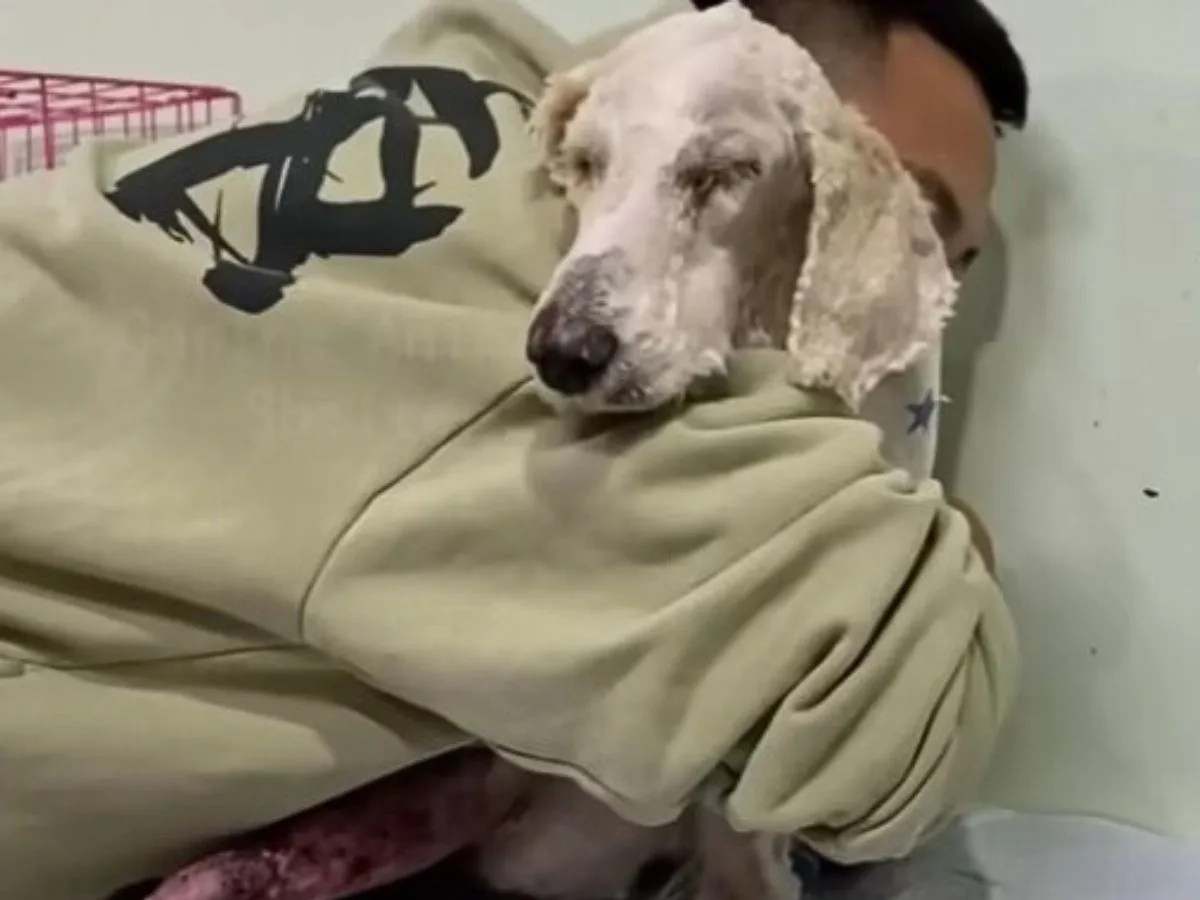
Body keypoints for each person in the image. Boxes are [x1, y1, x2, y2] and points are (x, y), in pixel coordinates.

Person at [0, 0, 1023, 898]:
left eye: (948, 261)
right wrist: (961, 536)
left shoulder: (457, 102)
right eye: (908, 221)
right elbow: (910, 744)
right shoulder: (542, 381)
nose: (911, 296)